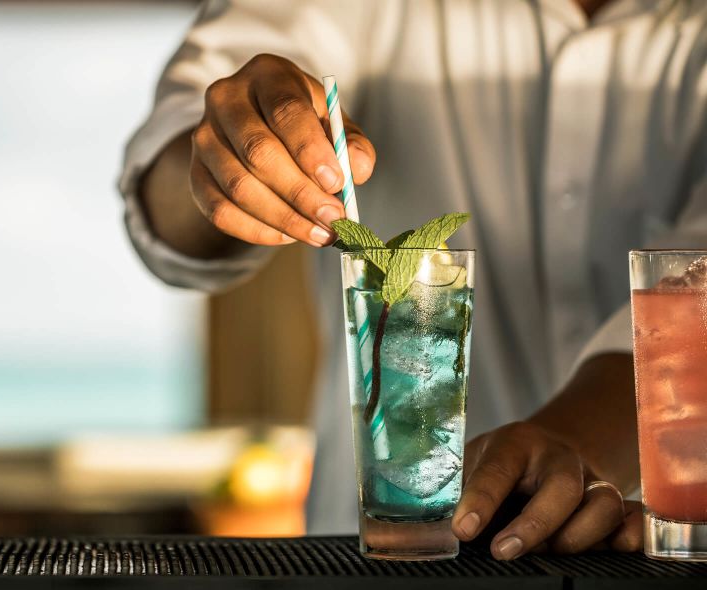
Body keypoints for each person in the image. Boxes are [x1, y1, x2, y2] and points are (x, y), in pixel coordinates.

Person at [119, 0, 707, 559]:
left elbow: (693, 296)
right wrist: (224, 160)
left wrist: (572, 448)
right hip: (370, 558)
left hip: (644, 548)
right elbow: (167, 186)